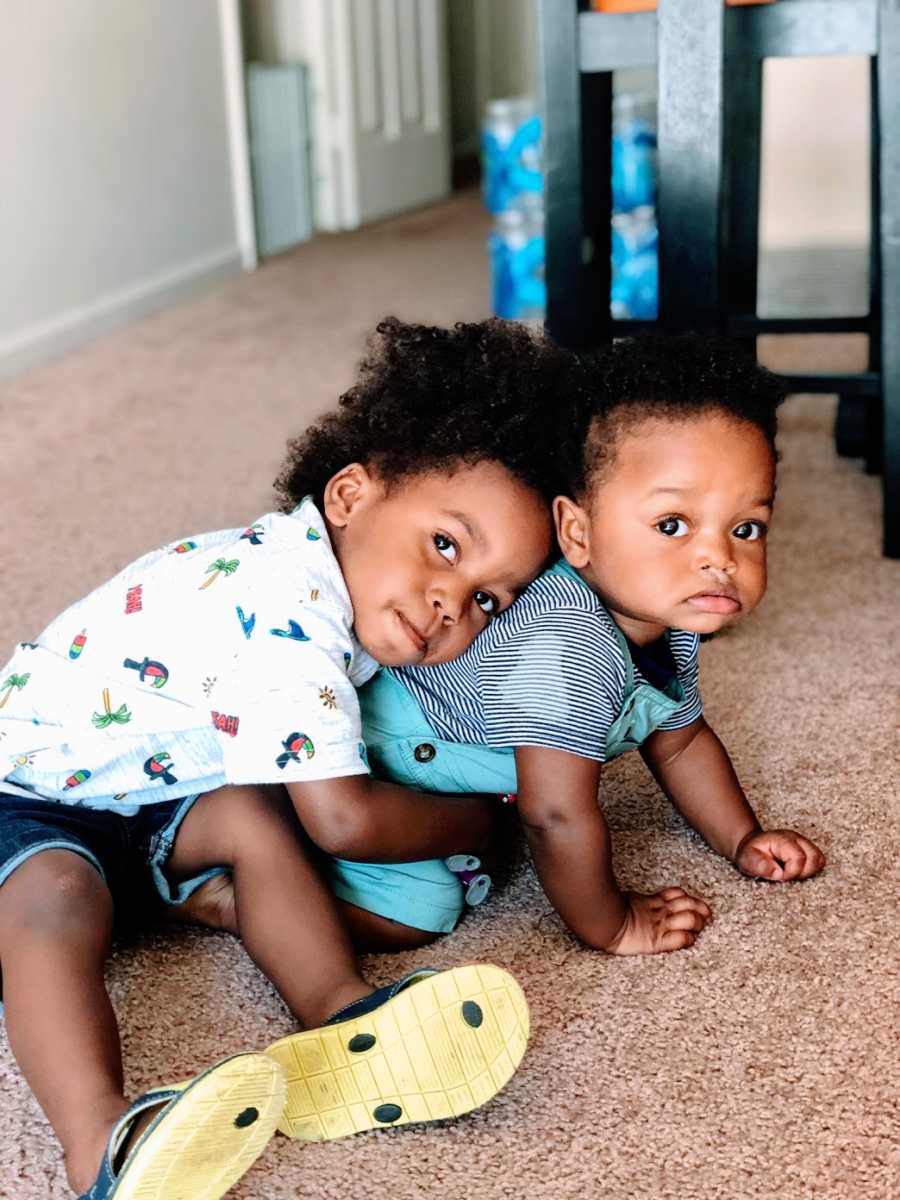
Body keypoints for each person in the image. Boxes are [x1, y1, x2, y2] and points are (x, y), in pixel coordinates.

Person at [0, 317, 574, 1198]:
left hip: (148, 799)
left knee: (251, 817)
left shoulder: (336, 583)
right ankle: (100, 1143)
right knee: (54, 897)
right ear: (350, 495)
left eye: (487, 600)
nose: (448, 604)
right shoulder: (286, 613)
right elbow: (344, 818)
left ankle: (344, 1024)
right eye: (445, 546)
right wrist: (487, 823)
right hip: (22, 795)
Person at [282, 332, 826, 955]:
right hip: (399, 755)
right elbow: (555, 814)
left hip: (476, 744)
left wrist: (741, 838)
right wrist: (612, 923)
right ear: (577, 531)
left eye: (747, 527)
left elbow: (679, 742)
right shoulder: (566, 648)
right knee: (421, 911)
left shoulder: (664, 612)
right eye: (672, 525)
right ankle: (263, 889)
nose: (718, 558)